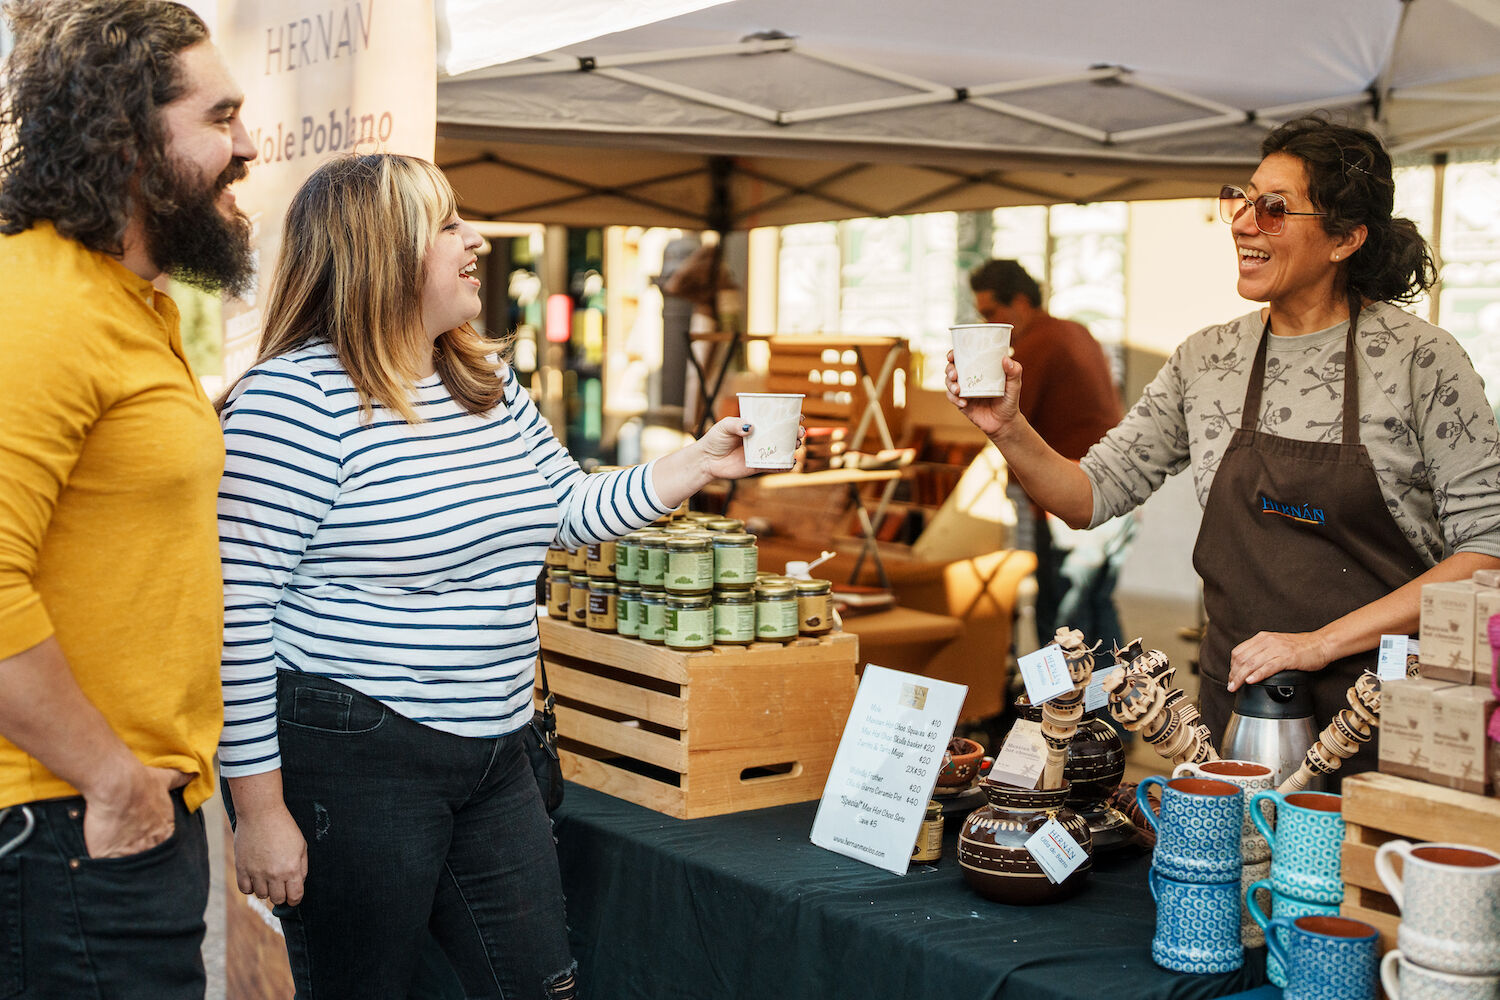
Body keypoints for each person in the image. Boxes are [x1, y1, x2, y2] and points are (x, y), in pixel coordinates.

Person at [215, 153, 775, 1000]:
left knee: (540, 986)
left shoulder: (480, 380)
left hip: (498, 748)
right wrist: (259, 812)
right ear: (380, 250)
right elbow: (235, 616)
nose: (475, 240)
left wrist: (698, 461)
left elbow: (566, 511)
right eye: (446, 224)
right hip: (357, 758)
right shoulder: (289, 404)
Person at [949, 117, 1500, 776]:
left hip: (1387, 719)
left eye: (1273, 209)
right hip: (1234, 716)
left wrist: (1317, 645)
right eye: (1241, 199)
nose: (1242, 222)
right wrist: (1007, 427)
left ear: (1345, 239)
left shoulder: (1421, 360)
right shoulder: (1208, 359)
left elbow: (1487, 551)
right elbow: (1088, 495)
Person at [0, 1, 255, 996]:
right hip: (71, 824)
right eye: (221, 116)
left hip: (119, 818)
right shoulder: (40, 305)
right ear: (130, 137)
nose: (250, 144)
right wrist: (110, 780)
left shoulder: (127, 302)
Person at [968, 259, 1125, 647]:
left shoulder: (1035, 344)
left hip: (1070, 502)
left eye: (991, 313)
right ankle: (1116, 706)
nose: (988, 325)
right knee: (1098, 614)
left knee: (1063, 627)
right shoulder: (1075, 330)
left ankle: (1061, 708)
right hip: (1116, 498)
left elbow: (1007, 419)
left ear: (1020, 302)